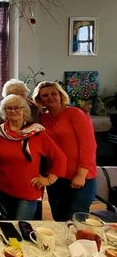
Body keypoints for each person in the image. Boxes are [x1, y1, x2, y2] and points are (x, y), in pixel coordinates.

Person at [0, 94, 66, 220]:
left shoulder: (38, 133)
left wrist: (49, 179)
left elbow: (60, 158)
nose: (13, 111)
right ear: (4, 112)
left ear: (25, 111)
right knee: (9, 225)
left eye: (17, 107)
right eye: (9, 108)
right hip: (2, 187)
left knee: (22, 226)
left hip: (28, 190)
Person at [33, 81, 97, 221]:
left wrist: (81, 174)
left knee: (75, 219)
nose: (50, 97)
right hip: (55, 176)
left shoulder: (75, 114)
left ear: (60, 95)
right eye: (45, 95)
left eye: (53, 94)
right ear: (40, 100)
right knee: (59, 218)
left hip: (79, 176)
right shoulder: (43, 118)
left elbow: (88, 145)